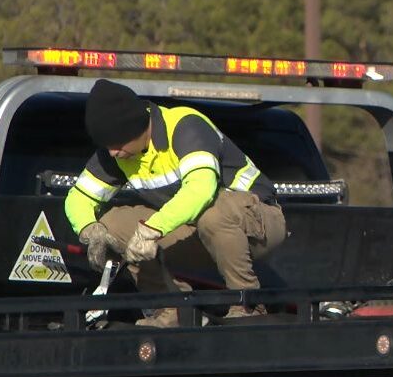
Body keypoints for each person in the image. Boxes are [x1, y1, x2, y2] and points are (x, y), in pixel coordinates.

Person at [65, 79, 287, 327]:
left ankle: (247, 305)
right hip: (199, 234)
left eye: (117, 143)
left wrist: (151, 229)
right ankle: (171, 311)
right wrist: (89, 229)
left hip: (258, 224)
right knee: (113, 224)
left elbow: (201, 190)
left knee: (213, 214)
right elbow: (79, 196)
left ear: (137, 127)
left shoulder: (185, 127)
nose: (113, 152)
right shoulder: (115, 153)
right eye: (107, 146)